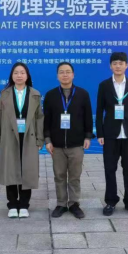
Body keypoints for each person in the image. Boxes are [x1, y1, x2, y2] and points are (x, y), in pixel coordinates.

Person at [0, 63, 44, 219]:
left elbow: (39, 118)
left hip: (29, 137)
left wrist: (40, 138)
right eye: (16, 73)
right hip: (9, 137)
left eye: (22, 72)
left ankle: (24, 205)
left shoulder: (35, 94)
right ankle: (13, 204)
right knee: (10, 170)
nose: (19, 75)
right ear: (12, 76)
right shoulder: (4, 94)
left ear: (27, 76)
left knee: (27, 171)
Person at [96, 52, 128, 218]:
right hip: (110, 134)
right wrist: (100, 133)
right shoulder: (104, 85)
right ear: (110, 66)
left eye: (121, 63)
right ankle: (110, 201)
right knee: (110, 169)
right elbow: (99, 110)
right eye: (115, 63)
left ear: (126, 65)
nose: (118, 66)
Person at [44, 62, 94, 219]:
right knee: (59, 175)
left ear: (73, 75)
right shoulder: (51, 95)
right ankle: (61, 204)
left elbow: (88, 117)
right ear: (57, 76)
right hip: (57, 145)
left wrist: (88, 136)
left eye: (68, 72)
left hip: (76, 143)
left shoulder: (83, 94)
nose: (65, 75)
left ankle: (74, 204)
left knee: (74, 176)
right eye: (61, 72)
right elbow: (46, 120)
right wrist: (47, 140)